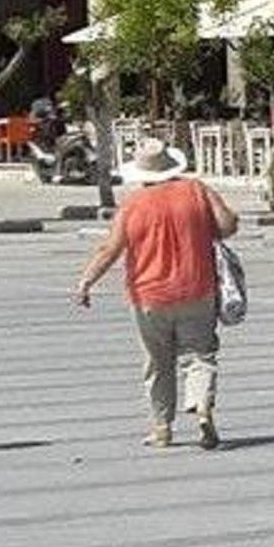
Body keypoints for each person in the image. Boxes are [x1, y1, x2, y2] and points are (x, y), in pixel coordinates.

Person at [71, 131, 240, 450]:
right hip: (197, 289)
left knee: (157, 361)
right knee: (199, 356)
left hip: (147, 296)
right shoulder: (196, 190)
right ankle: (202, 409)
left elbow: (110, 248)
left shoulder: (133, 204)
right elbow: (228, 224)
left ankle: (162, 427)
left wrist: (86, 282)